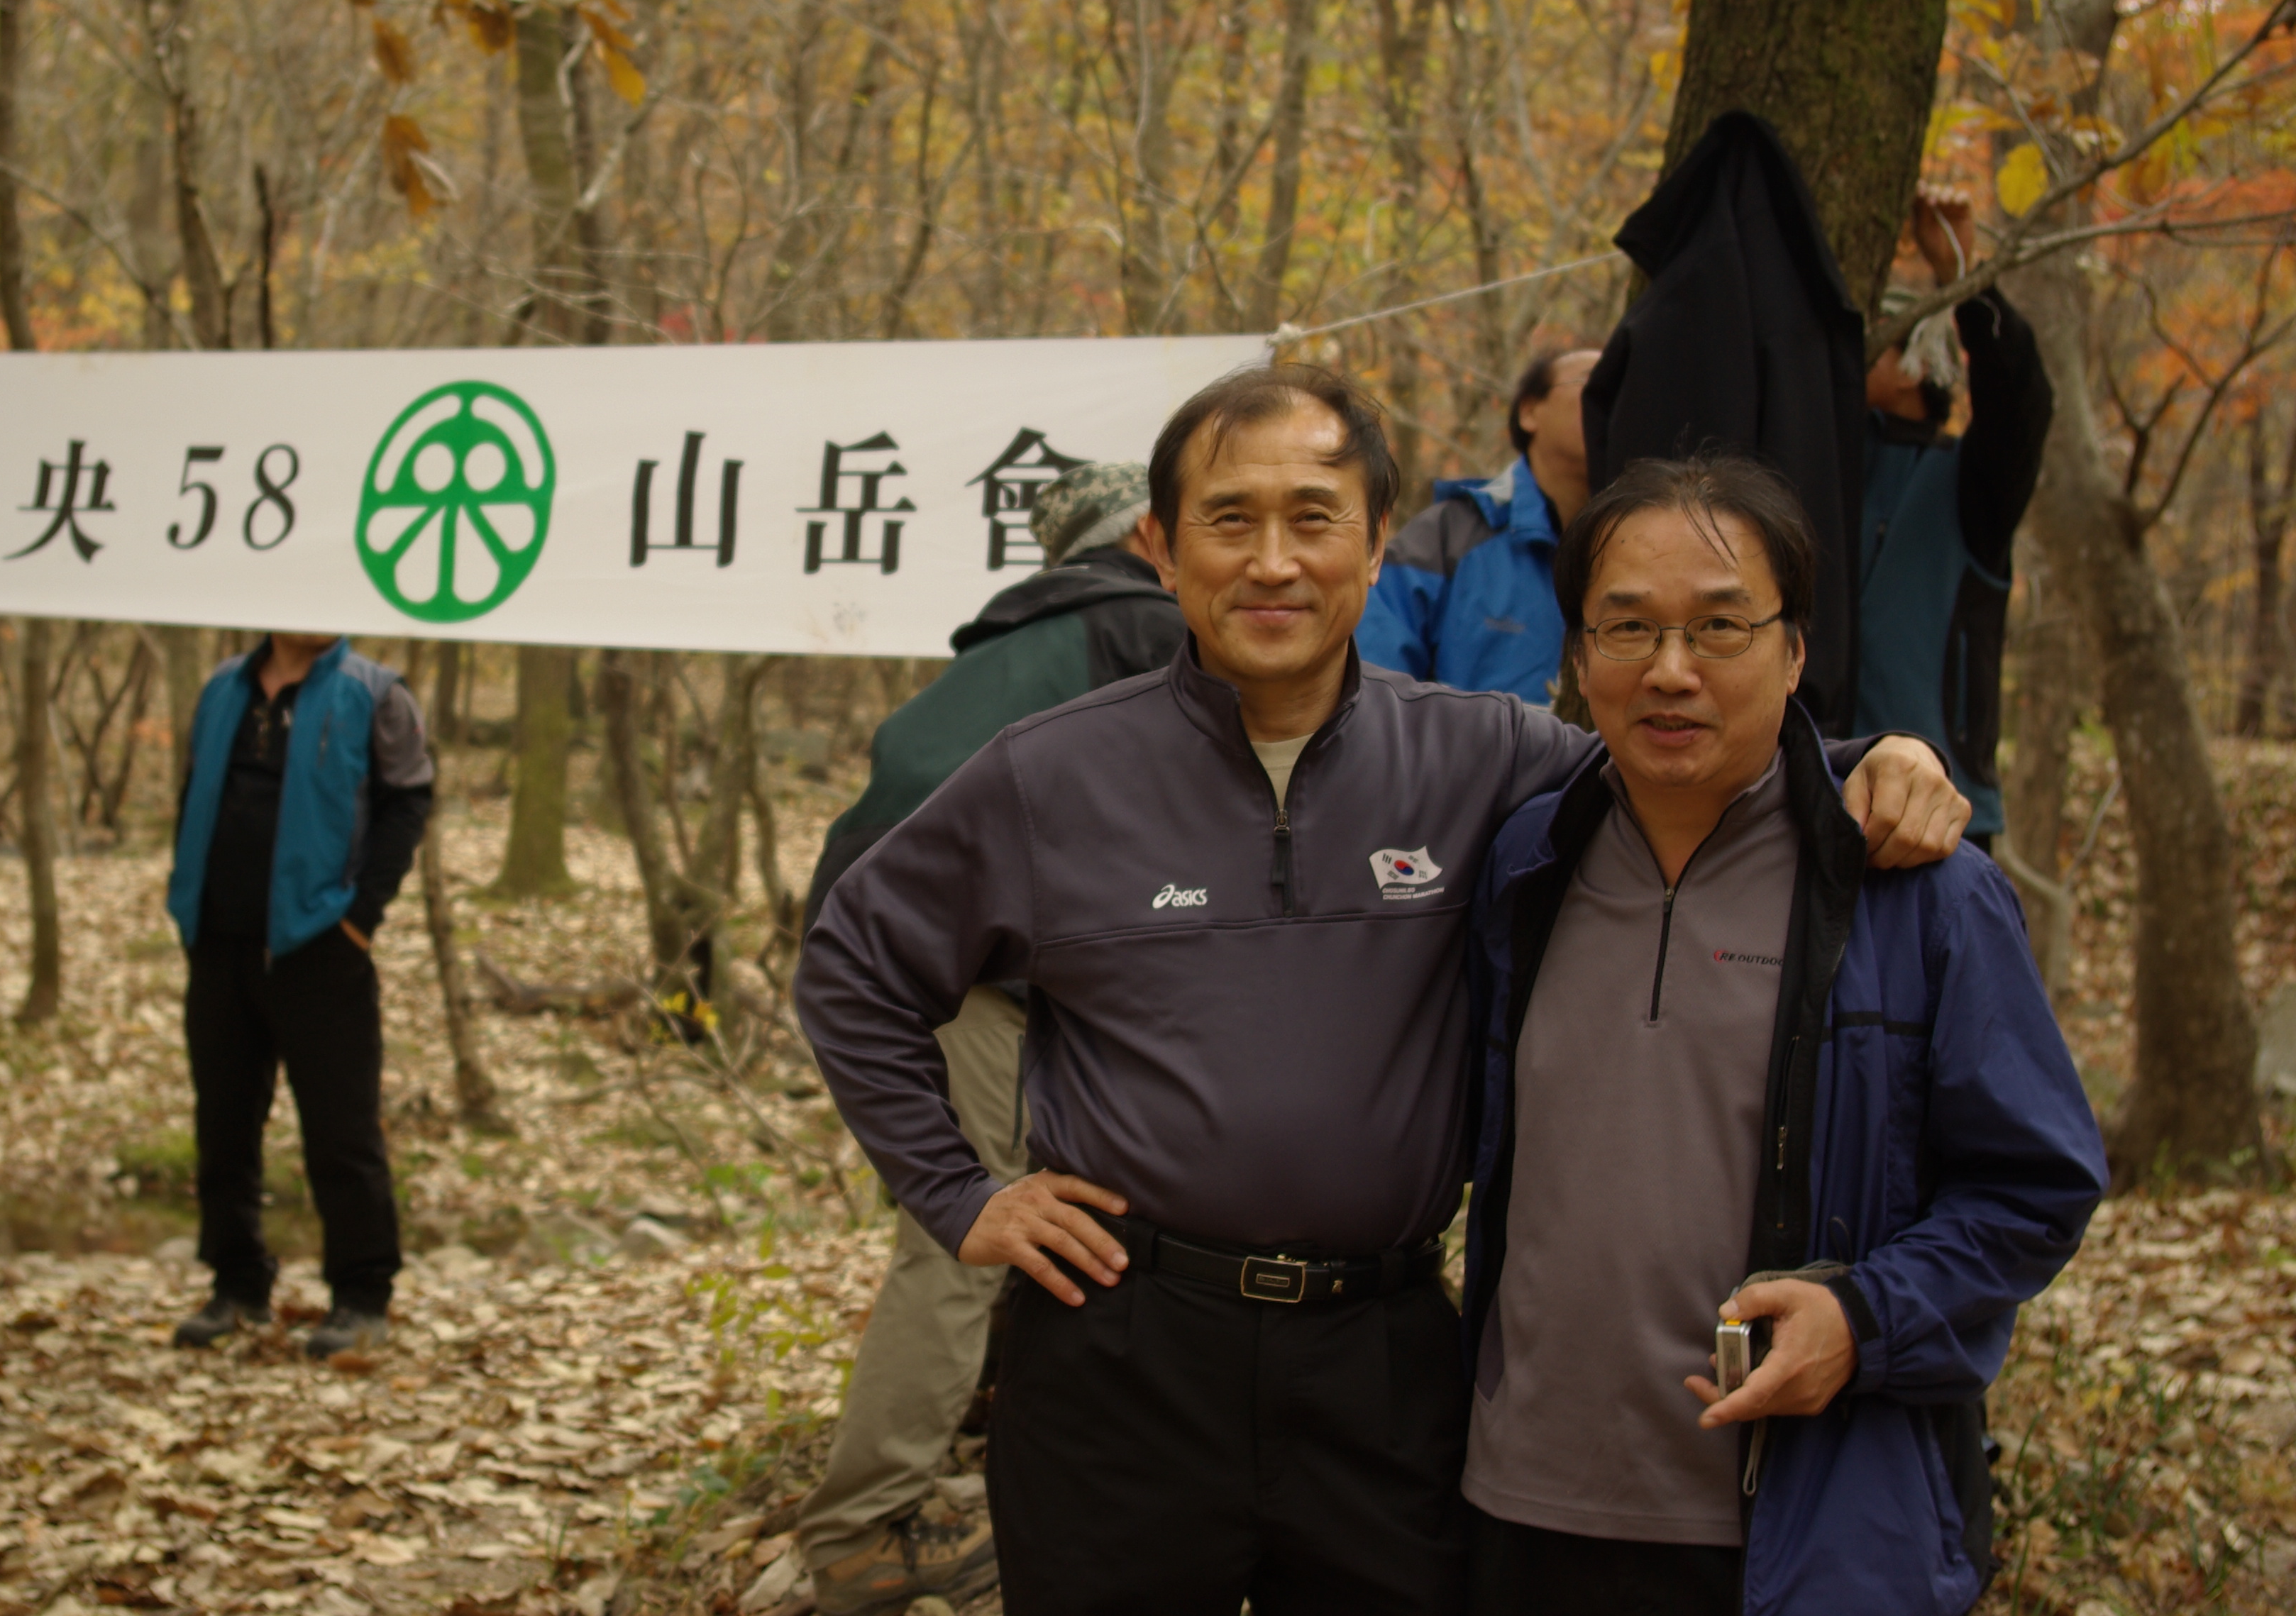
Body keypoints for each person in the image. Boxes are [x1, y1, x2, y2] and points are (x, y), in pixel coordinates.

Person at [793, 361, 1969, 1614]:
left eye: (1313, 518)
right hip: (1121, 1350)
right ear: (1162, 547)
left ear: (1371, 546)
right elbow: (854, 961)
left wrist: (1867, 761)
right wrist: (959, 1193)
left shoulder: (1480, 755)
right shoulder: (1052, 774)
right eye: (1229, 520)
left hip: (1383, 1356)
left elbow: (1681, 757)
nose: (1273, 562)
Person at [1459, 453, 2106, 1616]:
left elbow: (2035, 1185)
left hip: (1801, 1528)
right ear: (1580, 658)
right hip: (1519, 1509)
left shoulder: (1918, 894)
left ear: (1795, 651)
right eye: (1628, 627)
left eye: (1720, 627)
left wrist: (1864, 1318)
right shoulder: (1524, 864)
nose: (1671, 670)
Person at [796, 460, 1182, 1616]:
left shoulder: (997, 650)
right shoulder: (1147, 632)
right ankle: (859, 1530)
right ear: (1148, 535)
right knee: (962, 1241)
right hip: (986, 978)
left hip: (917, 970)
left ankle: (980, 1438)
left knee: (1025, 1218)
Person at [162, 633, 434, 1358]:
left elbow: (409, 802)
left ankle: (361, 1296)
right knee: (223, 1126)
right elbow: (194, 791)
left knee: (342, 1133)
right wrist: (187, 902)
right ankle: (237, 1285)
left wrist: (358, 921)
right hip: (219, 943)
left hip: (320, 949)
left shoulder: (374, 693)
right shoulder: (223, 687)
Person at [1858, 185, 2054, 843]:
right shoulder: (1817, 468)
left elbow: (2021, 399)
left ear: (1916, 367)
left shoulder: (1970, 482)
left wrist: (1965, 278)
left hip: (1944, 814)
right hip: (1814, 800)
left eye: (1874, 342)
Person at [1355, 346, 1598, 702]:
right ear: (1530, 411)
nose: (1609, 400)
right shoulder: (1449, 537)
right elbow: (1372, 687)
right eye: (1592, 383)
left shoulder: (1647, 548)